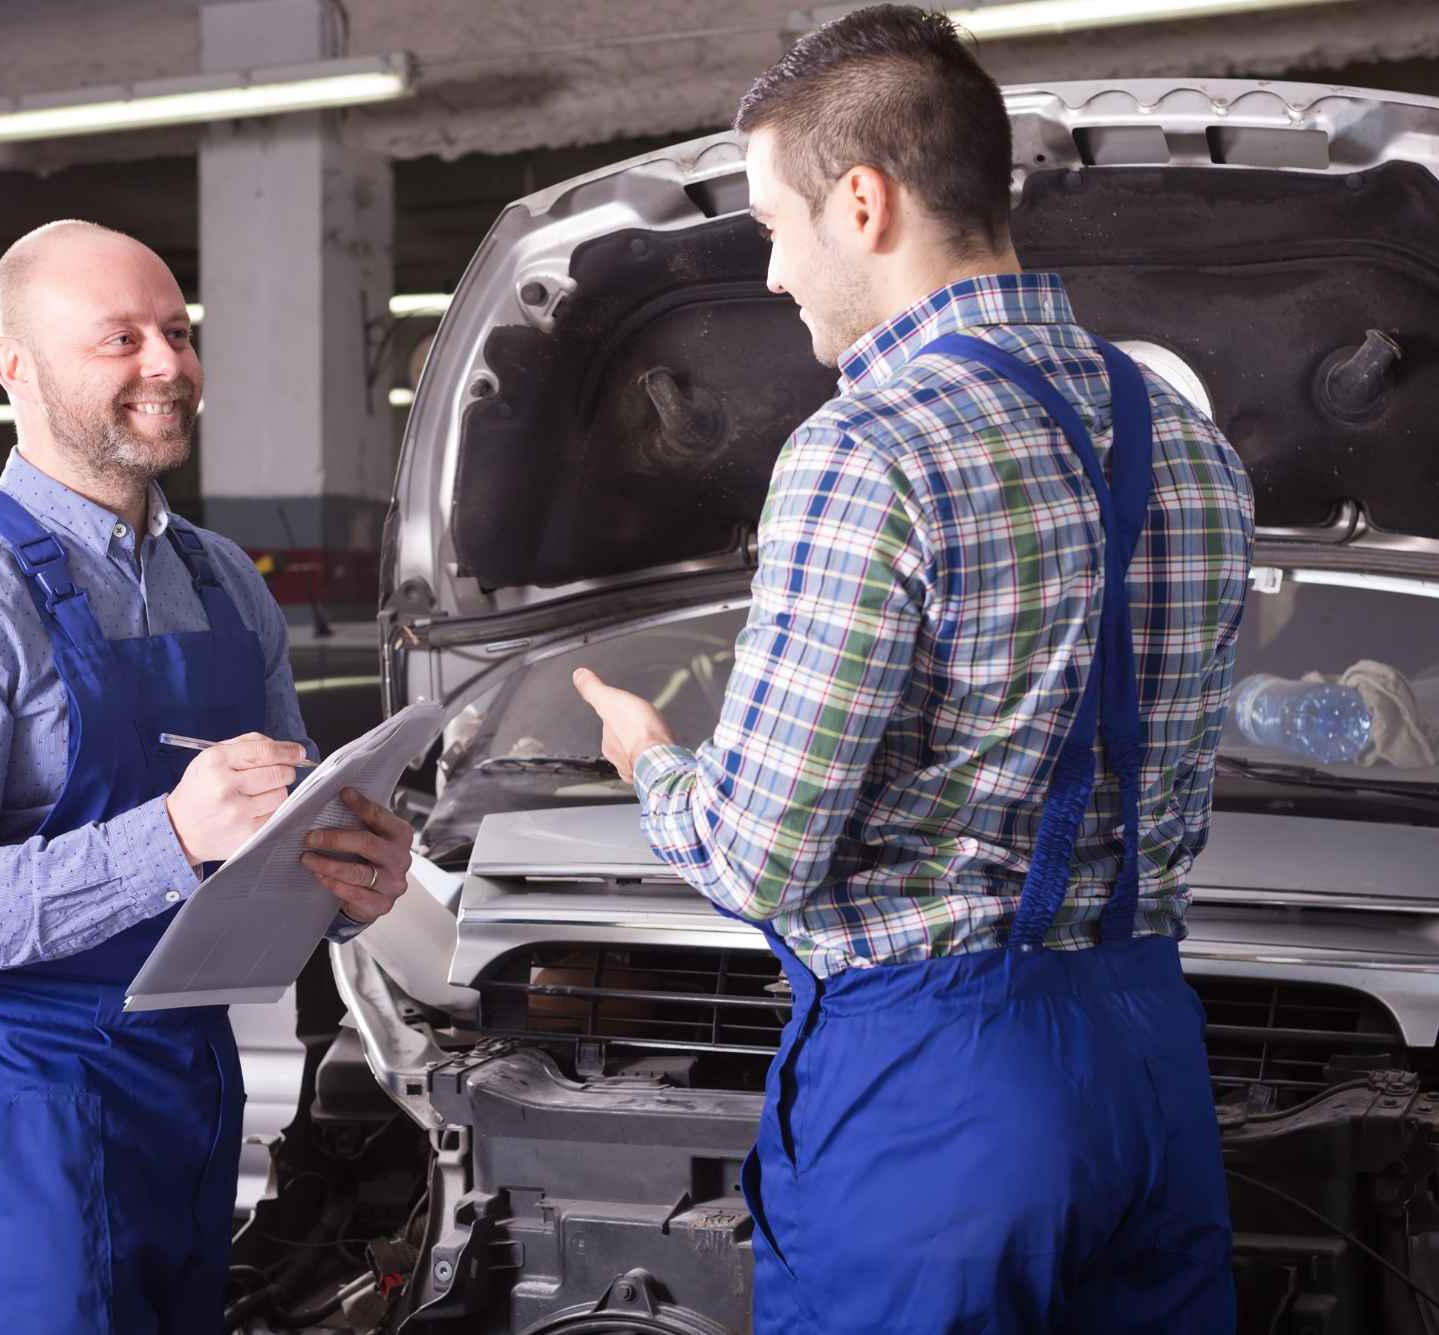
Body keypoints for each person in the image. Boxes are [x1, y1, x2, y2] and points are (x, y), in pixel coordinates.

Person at [574, 8, 1252, 1331]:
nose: (772, 273)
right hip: (1153, 1066)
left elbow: (760, 857)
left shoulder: (865, 449)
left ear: (865, 203)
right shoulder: (1183, 438)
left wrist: (653, 759)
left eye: (776, 223)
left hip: (940, 1096)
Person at [0, 219, 413, 1334]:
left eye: (177, 333)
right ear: (14, 364)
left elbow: (270, 841)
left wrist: (345, 883)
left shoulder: (225, 578)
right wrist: (171, 836)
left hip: (181, 1097)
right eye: (120, 339)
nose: (167, 366)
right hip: (9, 1125)